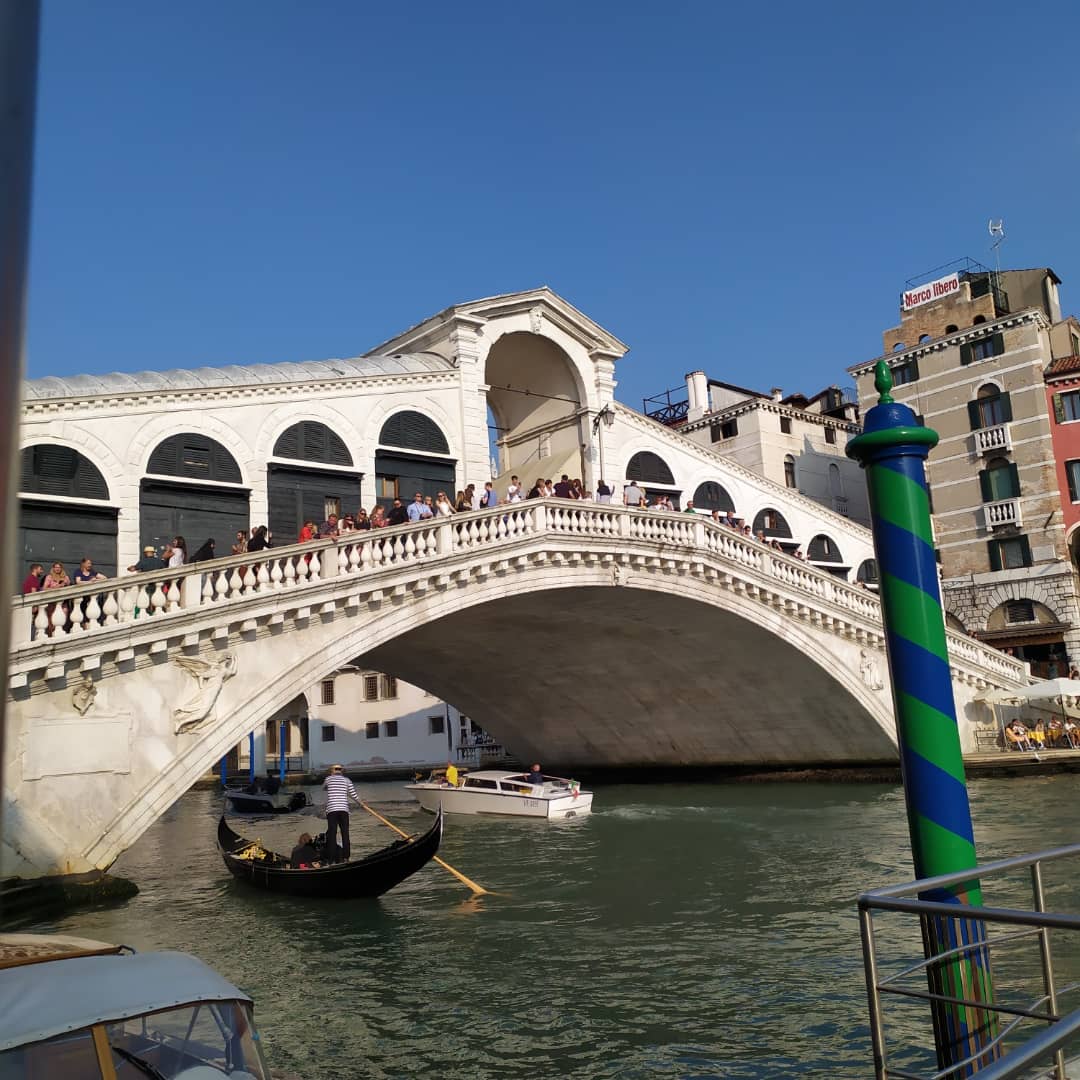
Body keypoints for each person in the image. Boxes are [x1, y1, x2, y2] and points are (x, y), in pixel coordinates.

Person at [323, 764, 363, 863]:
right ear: (341, 771)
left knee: (332, 834)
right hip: (344, 810)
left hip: (332, 810)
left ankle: (331, 859)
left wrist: (332, 788)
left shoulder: (328, 779)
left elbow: (324, 788)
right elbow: (354, 795)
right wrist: (361, 803)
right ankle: (346, 857)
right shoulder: (347, 781)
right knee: (345, 833)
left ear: (332, 771)